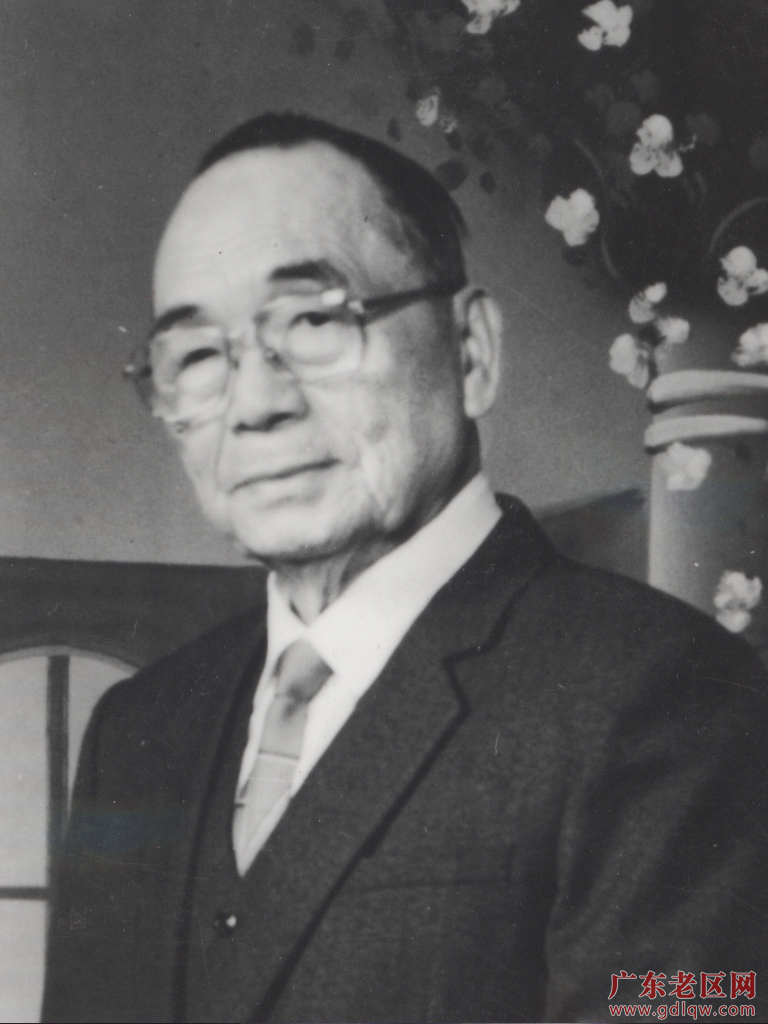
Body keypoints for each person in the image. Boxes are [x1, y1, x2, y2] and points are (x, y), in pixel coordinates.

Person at [42, 113, 768, 1024]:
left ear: (471, 353)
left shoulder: (666, 693)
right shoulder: (138, 728)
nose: (254, 405)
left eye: (314, 319)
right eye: (194, 356)